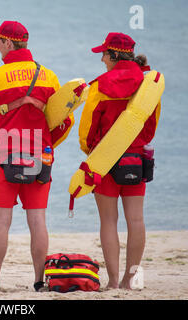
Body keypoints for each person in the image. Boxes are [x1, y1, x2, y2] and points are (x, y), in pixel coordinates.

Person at [0, 21, 74, 291]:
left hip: (5, 156)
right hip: (40, 156)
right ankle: (40, 282)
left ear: (8, 43)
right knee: (38, 219)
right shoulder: (49, 76)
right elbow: (65, 120)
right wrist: (48, 142)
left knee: (1, 223)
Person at [79, 32, 161, 289]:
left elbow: (87, 132)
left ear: (114, 55)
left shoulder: (100, 86)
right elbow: (151, 126)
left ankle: (113, 282)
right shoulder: (148, 84)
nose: (102, 59)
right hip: (136, 159)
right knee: (136, 220)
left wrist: (92, 152)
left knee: (108, 222)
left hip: (105, 161)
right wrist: (134, 144)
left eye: (104, 54)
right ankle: (129, 280)